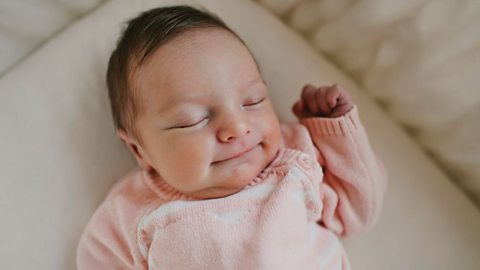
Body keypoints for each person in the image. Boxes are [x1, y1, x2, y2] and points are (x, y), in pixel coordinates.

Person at [77, 5, 387, 269]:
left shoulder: (295, 159)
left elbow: (356, 213)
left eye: (253, 101)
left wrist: (333, 132)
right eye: (194, 120)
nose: (238, 128)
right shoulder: (132, 213)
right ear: (139, 150)